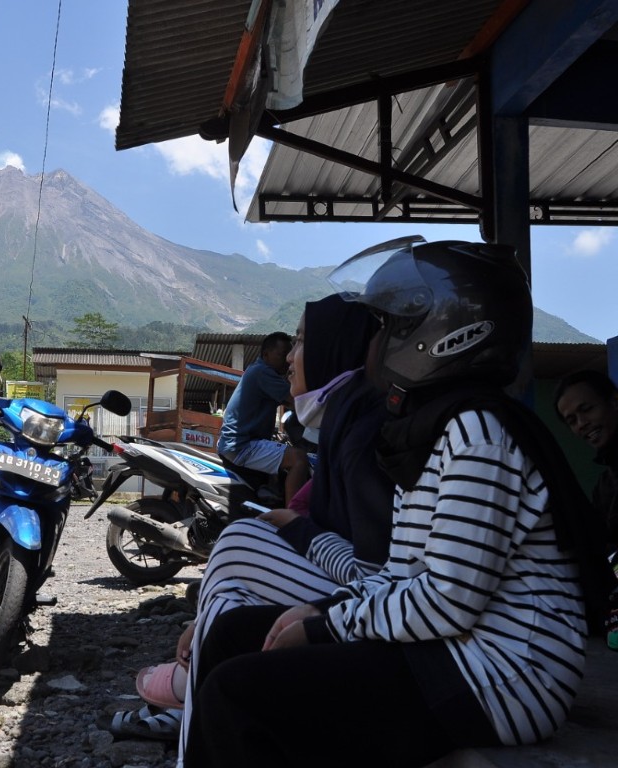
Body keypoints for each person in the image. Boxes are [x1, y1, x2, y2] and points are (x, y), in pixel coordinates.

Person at [181, 236, 612, 768]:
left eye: (389, 326)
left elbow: (448, 598)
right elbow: (401, 574)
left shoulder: (478, 433)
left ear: (443, 333)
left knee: (237, 696)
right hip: (451, 651)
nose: (377, 341)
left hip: (504, 679)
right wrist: (321, 609)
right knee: (232, 635)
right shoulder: (433, 428)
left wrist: (326, 625)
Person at [111, 294, 394, 742]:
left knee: (240, 542)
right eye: (290, 345)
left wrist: (296, 529)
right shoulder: (338, 420)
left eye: (302, 342)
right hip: (243, 451)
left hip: (372, 600)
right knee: (241, 554)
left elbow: (376, 574)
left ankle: (188, 693)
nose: (291, 358)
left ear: (333, 349)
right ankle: (194, 697)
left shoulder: (362, 432)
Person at [216, 331, 308, 507]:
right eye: (282, 354)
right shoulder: (263, 373)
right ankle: (293, 515)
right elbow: (296, 401)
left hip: (237, 443)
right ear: (266, 354)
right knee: (299, 459)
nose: (287, 359)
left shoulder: (258, 371)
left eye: (290, 354)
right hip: (242, 445)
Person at [554, 369, 618, 553]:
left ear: (614, 401)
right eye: (572, 421)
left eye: (587, 409)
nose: (581, 423)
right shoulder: (605, 485)